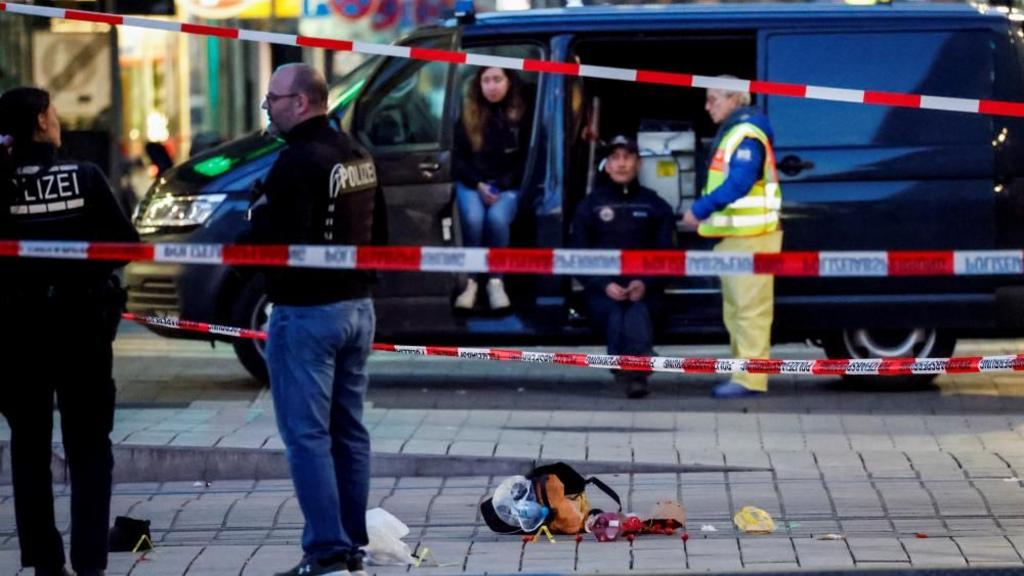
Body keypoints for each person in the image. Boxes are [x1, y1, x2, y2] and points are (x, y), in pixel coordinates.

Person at [250, 63, 387, 576]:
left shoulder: (295, 162)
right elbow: (381, 236)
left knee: (307, 436)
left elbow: (274, 243)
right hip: (357, 308)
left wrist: (253, 215)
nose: (268, 107)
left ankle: (327, 551)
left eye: (274, 99)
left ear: (301, 102)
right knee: (349, 431)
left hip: (306, 312)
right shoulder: (357, 154)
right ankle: (351, 545)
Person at [0, 87, 140, 576]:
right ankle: (89, 562)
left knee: (28, 449)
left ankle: (44, 561)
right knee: (89, 448)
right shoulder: (84, 176)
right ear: (42, 120)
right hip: (81, 330)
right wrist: (79, 277)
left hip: (16, 336)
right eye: (53, 111)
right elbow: (126, 245)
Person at [682, 82, 783, 399]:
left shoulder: (746, 134)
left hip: (752, 238)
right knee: (737, 312)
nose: (707, 106)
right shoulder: (737, 131)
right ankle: (743, 374)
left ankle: (750, 380)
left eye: (713, 99)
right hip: (738, 238)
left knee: (750, 312)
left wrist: (700, 209)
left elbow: (740, 181)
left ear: (735, 99)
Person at [571, 135, 675, 399]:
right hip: (601, 293)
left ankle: (631, 371)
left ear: (638, 163)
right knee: (619, 310)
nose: (621, 164)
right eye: (615, 158)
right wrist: (604, 284)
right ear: (606, 165)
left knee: (636, 309)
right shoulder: (590, 206)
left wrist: (645, 283)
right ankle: (636, 370)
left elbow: (668, 257)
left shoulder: (655, 205)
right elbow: (577, 258)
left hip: (647, 292)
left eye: (627, 157)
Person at [452, 66, 531, 311]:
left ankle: (496, 281)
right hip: (472, 183)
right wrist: (478, 184)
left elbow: (527, 159)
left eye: (497, 79)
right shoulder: (467, 114)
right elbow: (458, 159)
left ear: (509, 82)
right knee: (473, 219)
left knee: (496, 220)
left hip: (507, 185)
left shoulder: (522, 115)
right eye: (486, 80)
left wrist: (502, 186)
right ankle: (471, 282)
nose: (491, 86)